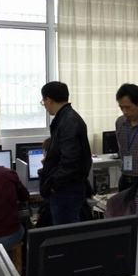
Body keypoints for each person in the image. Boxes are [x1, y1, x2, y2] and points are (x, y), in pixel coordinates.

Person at [39, 81, 93, 225]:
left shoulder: (68, 121)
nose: (44, 105)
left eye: (43, 101)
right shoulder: (66, 117)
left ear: (49, 100)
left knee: (66, 231)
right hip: (67, 187)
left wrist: (52, 185)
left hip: (66, 190)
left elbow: (70, 161)